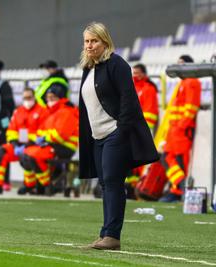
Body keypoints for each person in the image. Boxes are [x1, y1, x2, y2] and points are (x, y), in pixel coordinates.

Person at [78, 22, 158, 250]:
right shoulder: (88, 67)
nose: (89, 45)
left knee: (113, 183)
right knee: (106, 184)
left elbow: (128, 99)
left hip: (114, 133)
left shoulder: (116, 64)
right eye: (86, 41)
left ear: (105, 42)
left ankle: (112, 236)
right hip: (97, 136)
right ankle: (105, 233)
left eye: (94, 41)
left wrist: (121, 130)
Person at [0, 87, 49, 194]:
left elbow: (43, 133)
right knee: (0, 151)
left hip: (34, 146)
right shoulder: (18, 112)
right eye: (25, 98)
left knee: (29, 157)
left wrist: (28, 144)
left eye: (29, 97)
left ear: (34, 97)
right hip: (18, 146)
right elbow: (11, 131)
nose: (27, 100)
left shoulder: (42, 111)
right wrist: (15, 144)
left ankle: (34, 185)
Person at [17, 87, 78, 195]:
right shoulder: (50, 113)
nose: (49, 100)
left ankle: (45, 186)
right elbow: (40, 132)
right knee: (24, 155)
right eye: (48, 97)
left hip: (63, 146)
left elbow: (60, 135)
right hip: (46, 144)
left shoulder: (64, 112)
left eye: (53, 97)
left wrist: (44, 138)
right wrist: (24, 142)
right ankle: (32, 185)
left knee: (33, 156)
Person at [159, 55, 201, 203]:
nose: (178, 67)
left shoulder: (192, 82)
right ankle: (181, 187)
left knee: (180, 161)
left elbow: (191, 108)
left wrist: (181, 127)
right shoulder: (183, 83)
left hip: (182, 131)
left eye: (182, 64)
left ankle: (179, 192)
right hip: (174, 131)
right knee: (166, 157)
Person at [125, 63, 159, 198]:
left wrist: (141, 128)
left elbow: (151, 113)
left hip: (140, 130)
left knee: (139, 161)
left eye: (138, 73)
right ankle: (132, 188)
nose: (135, 75)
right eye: (134, 72)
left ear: (144, 74)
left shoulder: (149, 89)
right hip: (129, 129)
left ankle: (138, 188)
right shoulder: (131, 87)